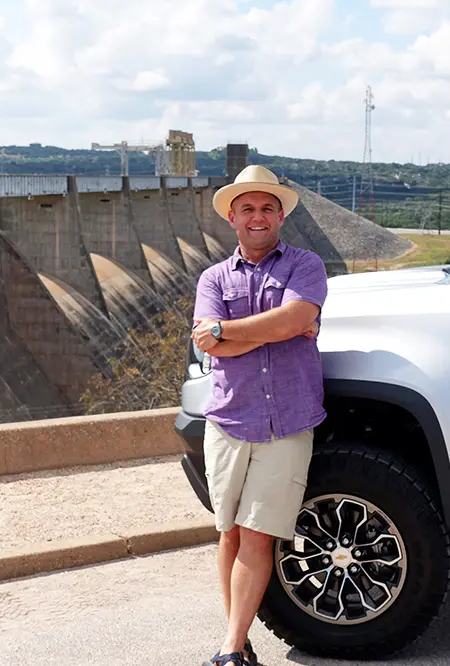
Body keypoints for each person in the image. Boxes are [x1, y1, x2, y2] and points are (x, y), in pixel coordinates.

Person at [191, 165, 328, 666]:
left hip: (287, 422)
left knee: (256, 532)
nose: (257, 216)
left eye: (267, 207)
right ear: (232, 217)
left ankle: (229, 649)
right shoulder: (213, 278)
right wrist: (276, 329)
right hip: (229, 420)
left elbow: (296, 317)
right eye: (247, 208)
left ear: (280, 216)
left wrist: (227, 330)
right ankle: (240, 640)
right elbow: (208, 341)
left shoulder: (306, 265)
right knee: (228, 530)